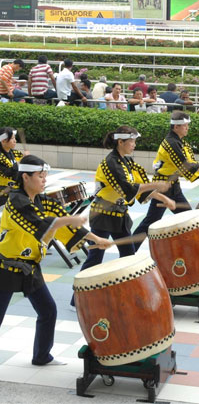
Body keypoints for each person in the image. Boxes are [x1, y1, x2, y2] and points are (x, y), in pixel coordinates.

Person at [0, 155, 111, 365]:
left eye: (45, 176)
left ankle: (42, 356)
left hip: (29, 268)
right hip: (5, 268)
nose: (44, 180)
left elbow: (67, 225)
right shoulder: (16, 202)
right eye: (40, 176)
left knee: (48, 311)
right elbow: (41, 226)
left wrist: (96, 239)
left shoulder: (43, 201)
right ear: (26, 177)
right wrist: (70, 218)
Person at [69, 126, 174, 308]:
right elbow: (129, 189)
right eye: (131, 141)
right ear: (121, 142)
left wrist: (162, 196)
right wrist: (157, 186)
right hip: (103, 214)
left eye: (134, 141)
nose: (134, 145)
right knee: (95, 257)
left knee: (128, 254)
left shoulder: (127, 161)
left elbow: (140, 187)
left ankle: (131, 292)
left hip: (119, 214)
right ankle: (77, 299)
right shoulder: (111, 163)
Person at [132, 111, 199, 251]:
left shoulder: (180, 143)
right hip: (163, 187)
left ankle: (194, 248)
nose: (187, 128)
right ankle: (129, 251)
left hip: (173, 186)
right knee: (151, 222)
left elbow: (191, 164)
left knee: (186, 218)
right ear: (176, 127)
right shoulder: (171, 143)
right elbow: (185, 166)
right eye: (185, 125)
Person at [0, 127, 29, 206]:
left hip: (14, 190)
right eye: (12, 138)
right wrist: (20, 162)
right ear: (3, 141)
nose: (15, 141)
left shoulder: (15, 153)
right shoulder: (0, 157)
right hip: (3, 193)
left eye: (14, 138)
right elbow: (8, 173)